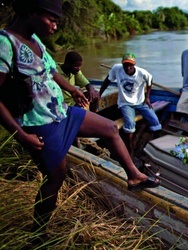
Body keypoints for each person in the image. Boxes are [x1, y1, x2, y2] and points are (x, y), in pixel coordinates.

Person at [0, 0, 160, 240]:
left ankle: (134, 175)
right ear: (31, 11)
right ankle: (38, 234)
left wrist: (73, 90)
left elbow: (52, 72)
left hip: (61, 112)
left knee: (108, 127)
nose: (55, 26)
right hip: (39, 124)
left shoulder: (36, 41)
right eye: (52, 20)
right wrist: (21, 134)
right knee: (55, 178)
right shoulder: (5, 43)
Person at [99, 53, 162, 157]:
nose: (128, 68)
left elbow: (150, 81)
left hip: (141, 102)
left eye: (130, 65)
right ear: (122, 64)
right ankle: (130, 147)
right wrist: (99, 93)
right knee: (129, 124)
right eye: (126, 65)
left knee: (155, 120)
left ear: (134, 65)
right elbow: (107, 81)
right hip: (125, 103)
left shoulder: (142, 73)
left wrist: (147, 98)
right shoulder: (116, 69)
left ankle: (156, 143)